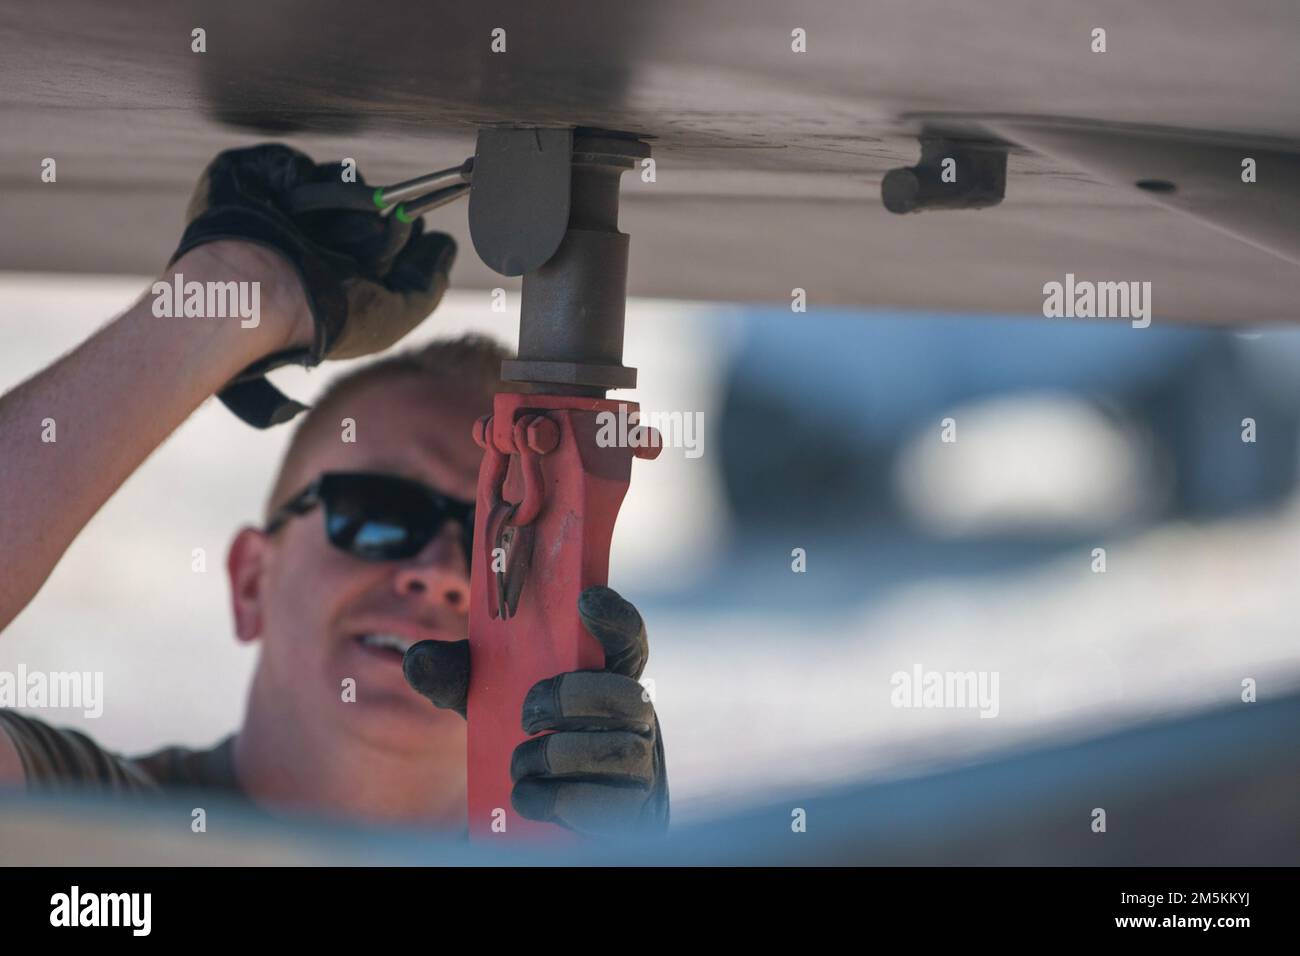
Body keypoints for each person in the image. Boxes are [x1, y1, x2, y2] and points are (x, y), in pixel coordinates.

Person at [0, 144, 668, 837]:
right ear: (251, 580)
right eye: (378, 515)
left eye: (494, 543)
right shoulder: (82, 837)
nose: (441, 575)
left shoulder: (564, 850)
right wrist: (234, 292)